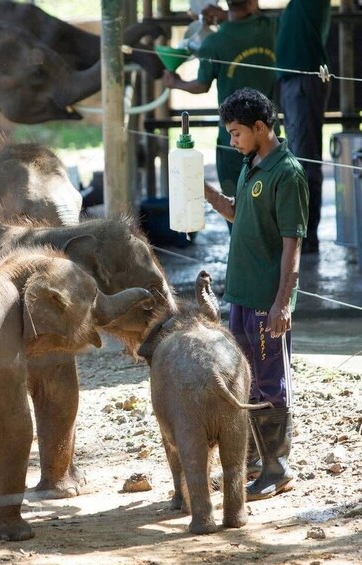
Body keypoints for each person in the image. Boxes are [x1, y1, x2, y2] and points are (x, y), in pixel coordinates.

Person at [204, 87, 308, 500]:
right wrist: (208, 195)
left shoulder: (288, 174)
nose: (233, 141)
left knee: (271, 382)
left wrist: (282, 302)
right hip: (241, 295)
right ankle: (252, 461)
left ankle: (277, 469)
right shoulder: (252, 163)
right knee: (245, 379)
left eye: (236, 133)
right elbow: (238, 213)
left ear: (260, 128)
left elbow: (292, 246)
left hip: (267, 301)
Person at [164, 0, 277, 207]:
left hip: (233, 138)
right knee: (270, 197)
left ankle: (238, 238)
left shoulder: (214, 43)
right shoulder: (271, 29)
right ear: (252, 4)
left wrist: (175, 82)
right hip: (268, 132)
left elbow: (201, 85)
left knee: (235, 199)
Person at [276, 0, 331, 254]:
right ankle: (302, 234)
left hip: (303, 80)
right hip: (294, 81)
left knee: (304, 159)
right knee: (298, 156)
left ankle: (306, 237)